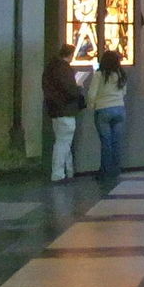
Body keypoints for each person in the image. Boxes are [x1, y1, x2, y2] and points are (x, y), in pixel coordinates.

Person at [41, 43, 85, 182]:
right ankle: (58, 173)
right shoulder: (64, 69)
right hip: (66, 109)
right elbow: (69, 90)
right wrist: (78, 87)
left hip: (55, 110)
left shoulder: (50, 67)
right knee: (63, 143)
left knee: (64, 141)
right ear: (71, 55)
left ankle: (69, 170)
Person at [85, 48, 130, 183]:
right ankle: (116, 170)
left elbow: (92, 93)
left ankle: (105, 171)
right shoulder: (121, 74)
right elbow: (124, 92)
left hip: (103, 109)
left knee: (106, 143)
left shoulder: (99, 75)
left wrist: (91, 106)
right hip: (119, 109)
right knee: (116, 142)